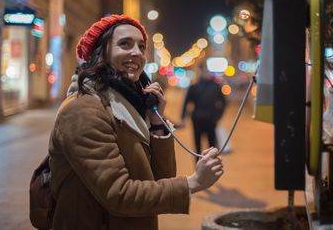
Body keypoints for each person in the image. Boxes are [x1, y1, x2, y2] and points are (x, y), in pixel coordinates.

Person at [48, 14, 224, 230]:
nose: (136, 53)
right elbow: (118, 194)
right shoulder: (83, 111)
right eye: (125, 44)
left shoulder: (130, 106)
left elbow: (158, 179)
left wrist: (157, 124)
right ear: (101, 53)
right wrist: (194, 182)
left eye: (141, 47)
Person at [180, 64, 226, 158]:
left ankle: (211, 166)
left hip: (211, 120)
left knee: (212, 147)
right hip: (197, 120)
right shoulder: (194, 87)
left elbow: (224, 102)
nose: (206, 73)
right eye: (204, 71)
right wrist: (183, 117)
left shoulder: (216, 86)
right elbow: (186, 102)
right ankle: (198, 168)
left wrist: (218, 115)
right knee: (197, 147)